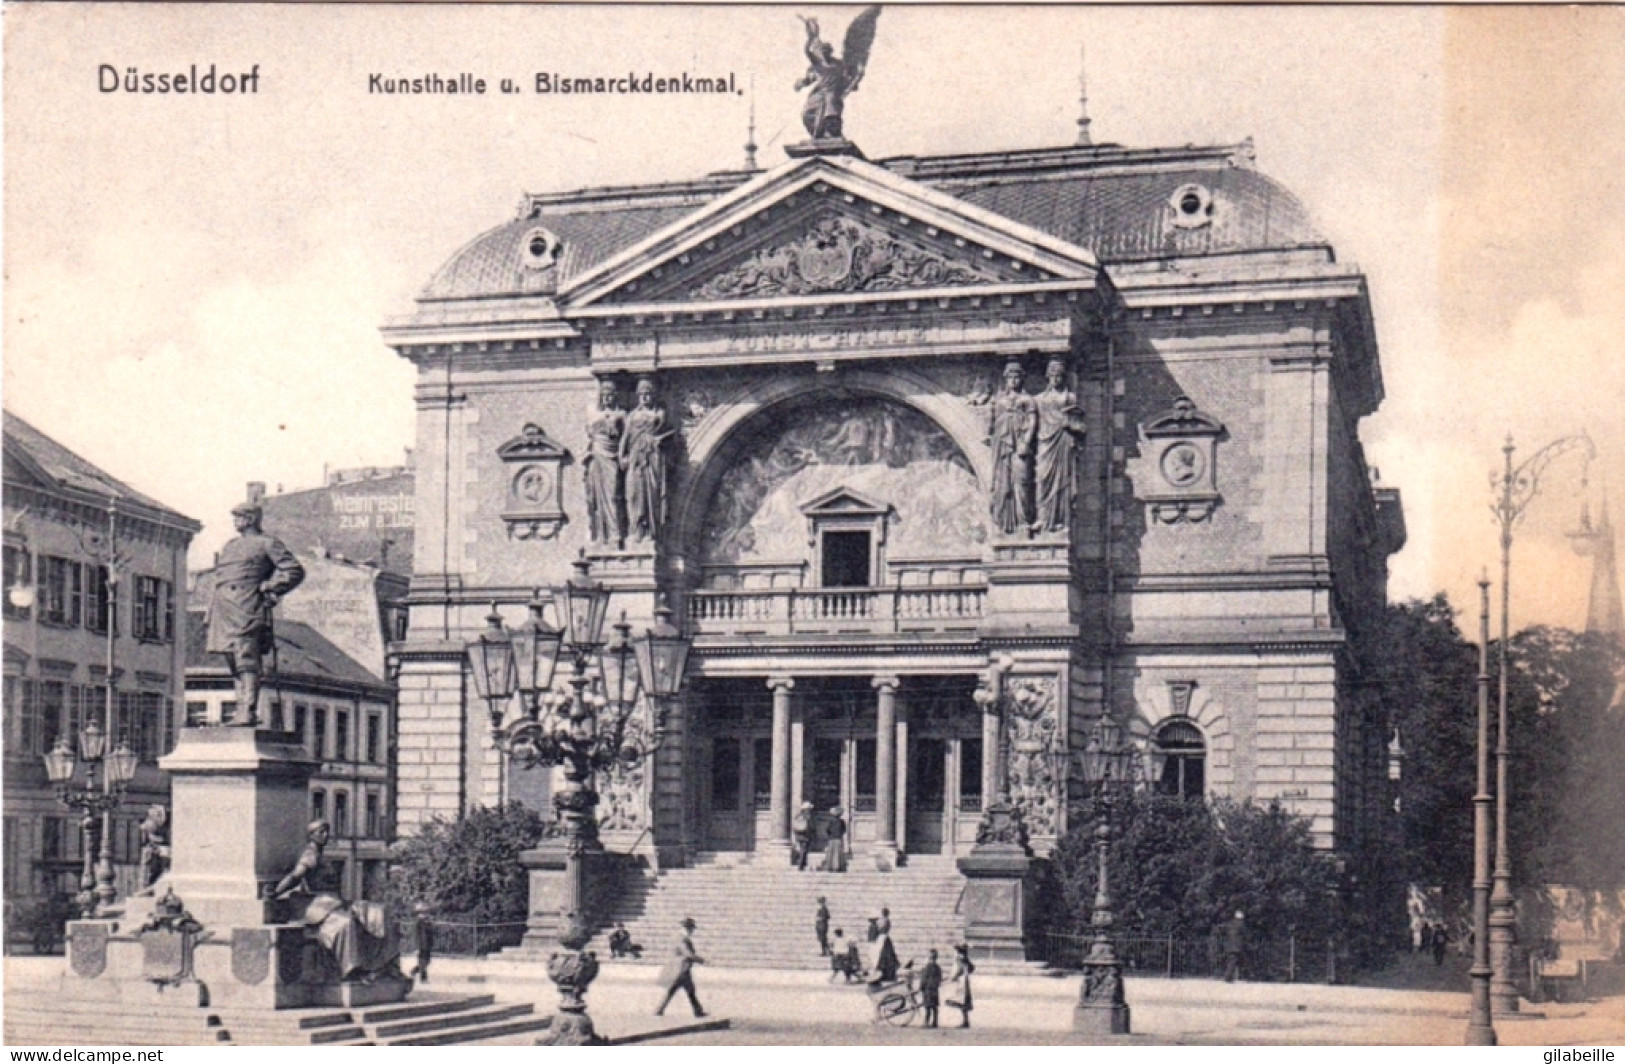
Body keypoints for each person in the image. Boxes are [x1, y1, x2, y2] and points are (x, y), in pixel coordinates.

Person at [206, 500, 305, 725]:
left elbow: (294, 570)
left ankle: (247, 710)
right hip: (223, 609)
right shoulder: (230, 545)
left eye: (239, 517)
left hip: (246, 606)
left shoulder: (267, 543)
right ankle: (242, 707)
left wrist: (270, 587)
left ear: (250, 519)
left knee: (246, 658)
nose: (235, 521)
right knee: (231, 659)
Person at [271, 820, 401, 983]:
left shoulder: (322, 854)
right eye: (321, 832)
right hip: (317, 904)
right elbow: (295, 877)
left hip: (334, 900)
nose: (325, 835)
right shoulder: (310, 855)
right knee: (345, 923)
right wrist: (275, 892)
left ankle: (384, 966)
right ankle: (351, 970)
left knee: (378, 912)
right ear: (311, 836)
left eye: (326, 831)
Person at [1032, 358, 1085, 533]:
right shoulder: (1039, 400)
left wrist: (1069, 425)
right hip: (1044, 443)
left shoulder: (1070, 398)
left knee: (1063, 483)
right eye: (1053, 375)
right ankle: (1043, 518)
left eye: (1059, 375)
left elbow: (1081, 426)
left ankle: (1060, 520)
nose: (1056, 379)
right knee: (1042, 478)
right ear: (1048, 377)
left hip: (1063, 443)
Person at [987, 360, 1038, 535]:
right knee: (1002, 482)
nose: (1014, 381)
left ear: (1022, 379)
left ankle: (1023, 521)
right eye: (1010, 377)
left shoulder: (1027, 400)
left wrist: (1026, 442)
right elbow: (991, 425)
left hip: (1020, 445)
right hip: (1002, 446)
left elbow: (1033, 422)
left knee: (1021, 480)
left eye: (1017, 377)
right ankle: (1005, 523)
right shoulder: (1000, 401)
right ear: (1006, 379)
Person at [621, 377, 672, 544]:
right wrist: (622, 455)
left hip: (652, 456)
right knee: (634, 493)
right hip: (635, 457)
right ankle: (636, 528)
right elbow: (625, 437)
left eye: (649, 394)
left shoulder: (658, 413)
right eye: (642, 394)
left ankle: (650, 529)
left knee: (651, 491)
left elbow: (664, 429)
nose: (645, 397)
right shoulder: (632, 416)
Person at [584, 378, 626, 546]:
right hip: (597, 454)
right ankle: (604, 534)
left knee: (613, 493)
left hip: (612, 455)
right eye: (604, 395)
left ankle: (616, 532)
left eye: (610, 395)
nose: (608, 398)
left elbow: (625, 438)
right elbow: (589, 431)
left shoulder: (621, 414)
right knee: (596, 496)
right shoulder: (592, 413)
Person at [655, 917, 707, 1018]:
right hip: (681, 969)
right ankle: (697, 1011)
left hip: (681, 969)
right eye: (691, 929)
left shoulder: (679, 938)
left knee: (686, 991)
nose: (692, 931)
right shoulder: (682, 939)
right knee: (684, 991)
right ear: (686, 928)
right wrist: (702, 960)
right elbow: (688, 954)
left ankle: (660, 1010)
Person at [946, 942, 976, 1028]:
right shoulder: (965, 959)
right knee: (964, 1001)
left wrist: (953, 977)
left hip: (961, 982)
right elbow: (972, 968)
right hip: (965, 980)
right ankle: (966, 1020)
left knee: (961, 1000)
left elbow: (958, 970)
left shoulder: (959, 959)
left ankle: (965, 1021)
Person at [409, 902, 435, 982]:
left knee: (427, 961)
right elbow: (415, 935)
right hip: (420, 945)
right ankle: (423, 978)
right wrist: (416, 947)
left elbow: (430, 933)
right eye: (424, 912)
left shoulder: (427, 922)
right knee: (422, 961)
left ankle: (414, 971)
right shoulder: (418, 922)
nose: (426, 914)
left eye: (426, 912)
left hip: (427, 945)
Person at [919, 949, 943, 1028]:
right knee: (934, 1006)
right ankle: (935, 1022)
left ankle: (926, 1022)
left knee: (927, 1006)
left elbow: (924, 978)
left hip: (928, 989)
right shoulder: (938, 967)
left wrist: (921, 987)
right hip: (935, 989)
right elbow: (940, 978)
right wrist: (937, 984)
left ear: (929, 958)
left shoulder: (927, 967)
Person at [1221, 910, 1246, 983]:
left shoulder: (1230, 924)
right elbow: (1244, 934)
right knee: (1233, 962)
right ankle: (1228, 977)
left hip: (1228, 945)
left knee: (1230, 961)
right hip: (1237, 946)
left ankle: (1231, 977)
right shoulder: (1241, 924)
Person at [821, 807, 848, 873]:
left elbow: (827, 829)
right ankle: (837, 866)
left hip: (832, 838)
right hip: (838, 838)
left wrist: (829, 835)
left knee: (831, 853)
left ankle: (830, 866)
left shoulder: (830, 821)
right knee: (838, 854)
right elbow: (844, 830)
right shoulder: (841, 821)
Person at [792, 801, 815, 871]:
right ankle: (801, 865)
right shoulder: (808, 815)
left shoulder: (798, 815)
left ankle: (803, 864)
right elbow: (810, 826)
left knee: (802, 849)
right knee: (804, 850)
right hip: (805, 835)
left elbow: (794, 825)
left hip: (799, 835)